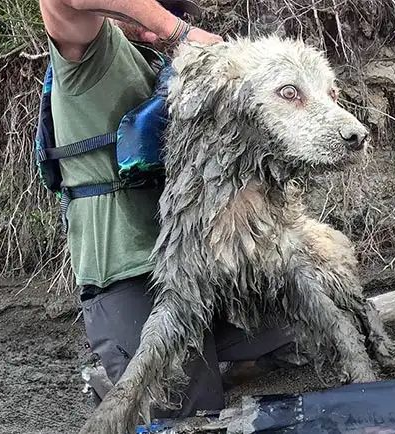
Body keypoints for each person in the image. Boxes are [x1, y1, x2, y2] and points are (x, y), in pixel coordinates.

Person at [37, 0, 297, 420]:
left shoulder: (172, 73)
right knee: (188, 415)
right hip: (130, 273)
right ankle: (122, 383)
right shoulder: (88, 56)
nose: (165, 24)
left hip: (197, 268)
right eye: (157, 9)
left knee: (305, 324)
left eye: (181, 13)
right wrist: (180, 33)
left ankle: (216, 363)